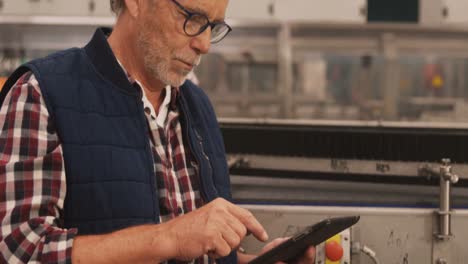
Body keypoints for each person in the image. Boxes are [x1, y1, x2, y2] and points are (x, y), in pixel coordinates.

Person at [0, 0, 316, 263]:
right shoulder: (41, 92)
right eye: (191, 18)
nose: (204, 44)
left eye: (213, 26)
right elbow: (18, 250)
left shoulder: (196, 106)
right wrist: (169, 237)